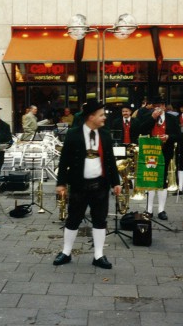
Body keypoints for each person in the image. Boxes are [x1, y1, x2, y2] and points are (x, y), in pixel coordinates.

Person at [53, 100, 121, 269]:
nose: (104, 118)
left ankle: (98, 255)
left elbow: (111, 161)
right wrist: (61, 183)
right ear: (91, 117)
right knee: (73, 219)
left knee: (100, 220)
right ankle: (66, 252)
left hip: (100, 185)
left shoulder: (104, 134)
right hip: (78, 184)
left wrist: (116, 182)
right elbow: (64, 161)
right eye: (101, 115)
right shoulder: (73, 134)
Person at [140, 96, 180, 220]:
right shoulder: (148, 117)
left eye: (160, 105)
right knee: (151, 178)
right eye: (155, 106)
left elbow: (178, 135)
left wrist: (168, 137)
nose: (157, 108)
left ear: (164, 107)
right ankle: (149, 209)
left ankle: (161, 210)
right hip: (150, 151)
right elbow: (141, 130)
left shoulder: (172, 118)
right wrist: (152, 118)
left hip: (165, 151)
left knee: (162, 179)